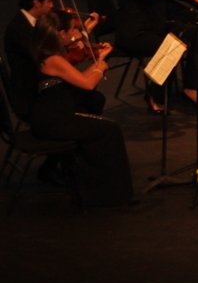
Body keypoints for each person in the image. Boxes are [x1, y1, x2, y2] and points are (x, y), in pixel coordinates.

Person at [28, 11, 135, 206]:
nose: (78, 33)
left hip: (57, 114)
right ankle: (111, 193)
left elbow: (80, 80)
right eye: (74, 29)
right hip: (53, 120)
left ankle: (98, 186)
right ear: (61, 34)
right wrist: (101, 66)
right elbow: (87, 84)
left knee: (103, 127)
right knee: (110, 131)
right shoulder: (54, 60)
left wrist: (98, 61)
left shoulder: (53, 55)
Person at [110, 0, 189, 113]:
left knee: (184, 33)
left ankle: (172, 88)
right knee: (169, 48)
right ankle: (154, 94)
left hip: (150, 28)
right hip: (134, 34)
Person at [4, 0, 59, 122]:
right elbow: (44, 57)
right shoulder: (20, 29)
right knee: (84, 96)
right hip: (33, 92)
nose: (52, 6)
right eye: (49, 1)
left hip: (39, 80)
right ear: (36, 3)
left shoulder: (36, 21)